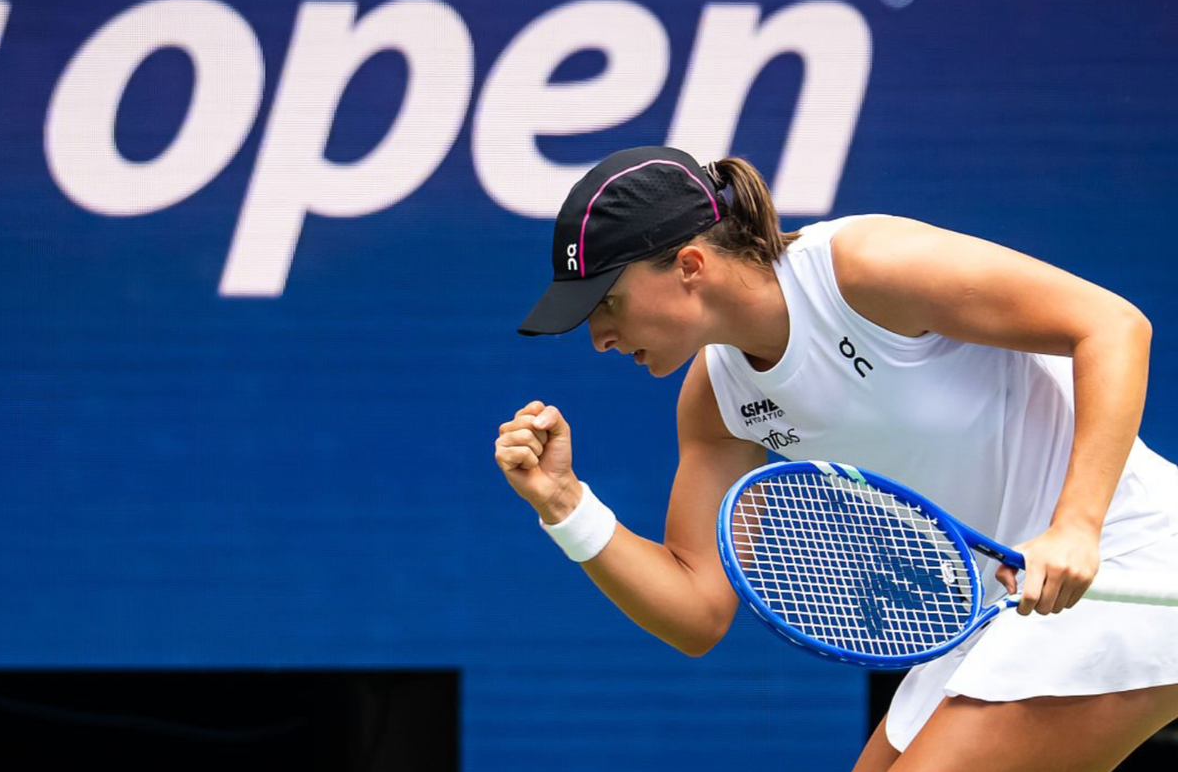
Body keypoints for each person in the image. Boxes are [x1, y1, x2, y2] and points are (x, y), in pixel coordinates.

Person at [493, 146, 1178, 771]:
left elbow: (1111, 326)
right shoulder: (717, 399)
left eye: (608, 303)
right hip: (1010, 605)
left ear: (690, 266)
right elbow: (697, 611)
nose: (600, 337)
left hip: (1128, 560)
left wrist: (1077, 527)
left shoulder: (864, 266)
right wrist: (565, 505)